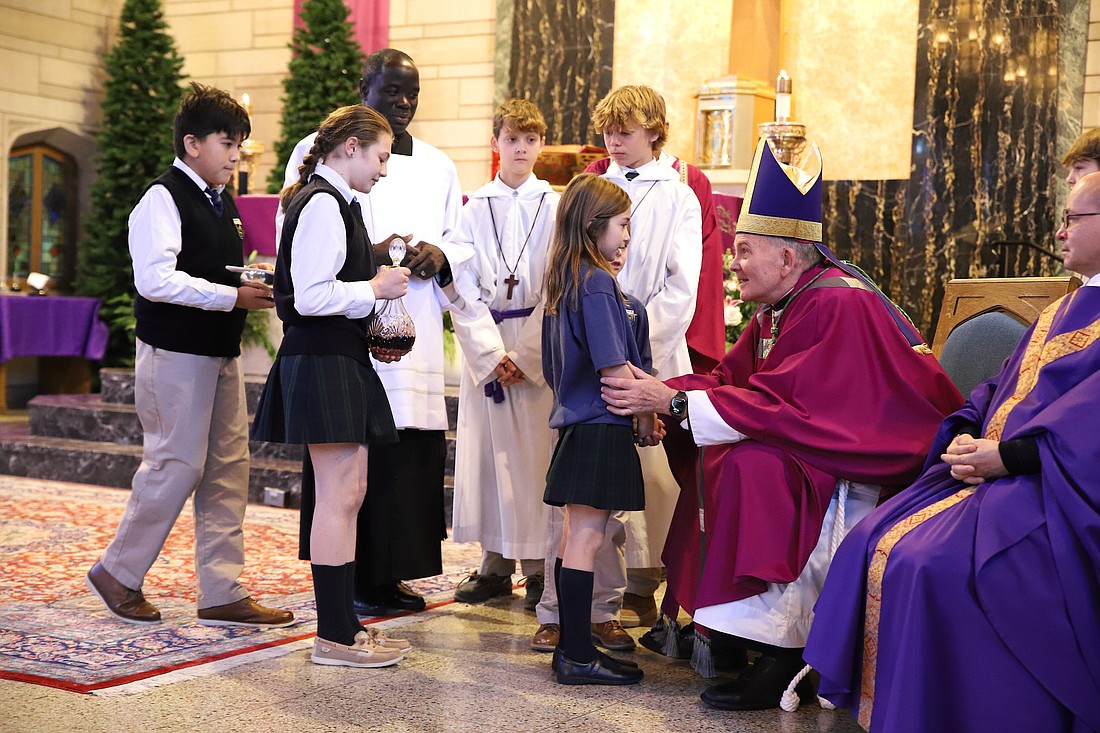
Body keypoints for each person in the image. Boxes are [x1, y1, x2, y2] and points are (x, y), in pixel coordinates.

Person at [600, 137, 963, 710]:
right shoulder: (786, 305)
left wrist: (669, 403)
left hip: (873, 461)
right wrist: (664, 393)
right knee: (725, 454)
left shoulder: (837, 304)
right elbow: (734, 383)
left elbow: (797, 409)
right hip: (824, 442)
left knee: (752, 465)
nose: (734, 264)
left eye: (744, 251)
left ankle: (785, 651)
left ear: (787, 258)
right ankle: (731, 633)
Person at [803, 172, 1100, 732]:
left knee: (932, 563)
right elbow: (1001, 387)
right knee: (871, 538)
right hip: (997, 468)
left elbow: (1091, 427)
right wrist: (966, 427)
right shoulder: (1065, 306)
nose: (1059, 233)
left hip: (1057, 487)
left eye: (1072, 220)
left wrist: (1009, 457)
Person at [86, 83, 293, 630]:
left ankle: (222, 590)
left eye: (241, 144)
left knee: (228, 469)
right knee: (176, 464)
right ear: (192, 142)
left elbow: (209, 268)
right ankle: (117, 572)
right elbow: (154, 281)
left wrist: (248, 281)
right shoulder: (162, 196)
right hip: (174, 352)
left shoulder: (220, 200)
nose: (236, 155)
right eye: (228, 143)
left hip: (217, 353)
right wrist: (232, 296)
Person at [282, 49, 472, 616]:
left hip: (408, 328)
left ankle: (388, 575)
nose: (406, 103)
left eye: (414, 92)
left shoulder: (438, 163)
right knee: (345, 476)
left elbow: (460, 240)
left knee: (397, 460)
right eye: (393, 91)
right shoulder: (317, 157)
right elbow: (297, 243)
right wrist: (367, 261)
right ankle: (344, 591)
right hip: (345, 333)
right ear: (364, 86)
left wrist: (438, 254)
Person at [534, 85, 702, 652]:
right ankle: (572, 632)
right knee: (588, 526)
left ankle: (606, 612)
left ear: (654, 129)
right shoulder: (597, 276)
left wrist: (640, 346)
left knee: (599, 518)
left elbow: (682, 287)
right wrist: (640, 391)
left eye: (625, 130)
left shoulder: (678, 195)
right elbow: (610, 362)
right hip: (616, 392)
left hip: (639, 365)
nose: (613, 140)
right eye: (608, 130)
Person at [252, 105, 421, 667]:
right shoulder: (322, 202)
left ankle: (343, 626)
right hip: (321, 356)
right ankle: (333, 636)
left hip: (336, 356)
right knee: (338, 496)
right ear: (349, 146)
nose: (384, 169)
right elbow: (307, 297)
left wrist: (370, 284)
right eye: (380, 155)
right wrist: (375, 288)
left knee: (348, 493)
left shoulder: (337, 201)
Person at [542, 173, 662, 686]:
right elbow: (614, 368)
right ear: (594, 226)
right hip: (598, 425)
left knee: (577, 535)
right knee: (588, 537)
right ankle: (575, 655)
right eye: (622, 224)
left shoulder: (570, 277)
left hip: (578, 424)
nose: (628, 235)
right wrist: (650, 408)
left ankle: (575, 645)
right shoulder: (595, 281)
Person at [448, 100, 559, 609]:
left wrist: (528, 355)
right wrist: (492, 354)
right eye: (512, 138)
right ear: (495, 143)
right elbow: (460, 285)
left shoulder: (556, 207)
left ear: (541, 145)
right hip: (487, 344)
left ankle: (539, 569)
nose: (521, 147)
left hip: (538, 345)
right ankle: (494, 565)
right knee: (492, 459)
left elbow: (559, 285)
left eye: (530, 139)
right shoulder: (473, 209)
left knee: (536, 461)